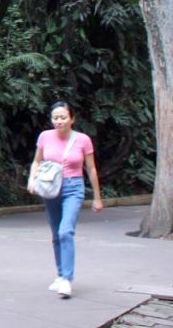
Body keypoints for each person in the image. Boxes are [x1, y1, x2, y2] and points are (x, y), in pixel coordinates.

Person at [28, 101, 103, 298]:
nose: (59, 121)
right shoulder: (45, 137)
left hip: (73, 187)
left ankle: (67, 279)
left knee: (65, 231)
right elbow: (37, 160)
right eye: (55, 118)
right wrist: (32, 179)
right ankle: (60, 274)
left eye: (63, 117)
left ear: (72, 119)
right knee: (56, 234)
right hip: (51, 188)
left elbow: (91, 168)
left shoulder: (83, 140)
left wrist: (97, 197)